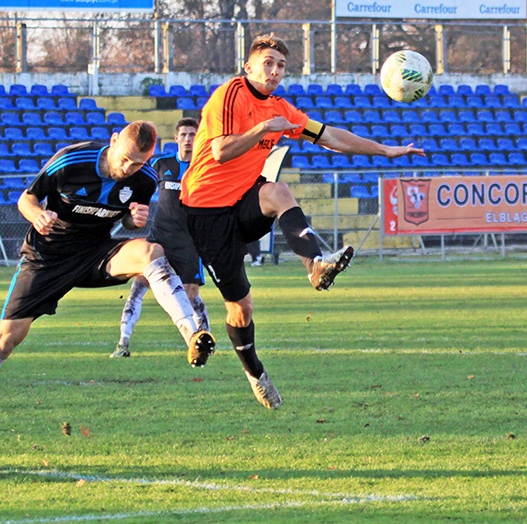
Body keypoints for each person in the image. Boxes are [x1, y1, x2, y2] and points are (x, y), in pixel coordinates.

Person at [0, 121, 215, 471]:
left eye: (139, 162)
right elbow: (27, 198)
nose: (129, 169)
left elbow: (127, 225)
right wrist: (38, 215)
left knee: (150, 252)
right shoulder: (70, 161)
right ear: (113, 141)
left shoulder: (143, 180)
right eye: (125, 159)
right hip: (47, 258)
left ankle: (193, 334)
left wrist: (134, 220)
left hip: (94, 254)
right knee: (5, 340)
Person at [181, 34, 424, 410]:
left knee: (279, 191)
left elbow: (330, 137)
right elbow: (220, 151)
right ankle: (255, 374)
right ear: (248, 66)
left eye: (280, 66)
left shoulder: (281, 108)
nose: (275, 71)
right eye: (268, 63)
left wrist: (385, 149)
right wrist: (264, 128)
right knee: (240, 308)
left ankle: (315, 266)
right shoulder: (230, 95)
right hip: (205, 211)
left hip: (244, 201)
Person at [110, 118, 211, 358]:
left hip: (188, 241)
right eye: (183, 134)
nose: (188, 139)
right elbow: (138, 183)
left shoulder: (205, 168)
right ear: (176, 138)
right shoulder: (161, 165)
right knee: (138, 286)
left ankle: (204, 337)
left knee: (190, 295)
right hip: (159, 237)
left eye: (192, 135)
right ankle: (123, 343)